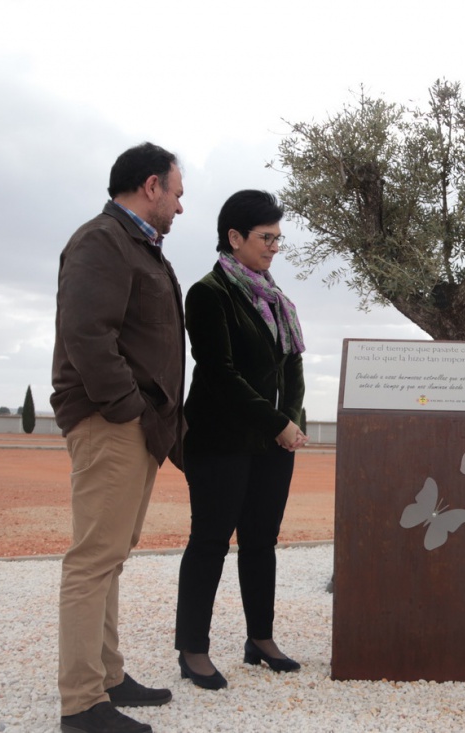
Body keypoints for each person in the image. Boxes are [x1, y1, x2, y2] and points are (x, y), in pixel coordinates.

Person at [51, 142, 186, 733]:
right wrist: (127, 409)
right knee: (93, 560)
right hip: (112, 421)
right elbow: (86, 333)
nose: (181, 207)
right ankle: (82, 703)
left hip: (136, 425)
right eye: (177, 193)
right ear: (151, 186)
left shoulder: (138, 247)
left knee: (111, 557)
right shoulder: (101, 241)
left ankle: (107, 675)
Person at [173, 189, 308, 691]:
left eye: (278, 238)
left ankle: (261, 639)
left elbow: (291, 366)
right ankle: (193, 649)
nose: (274, 247)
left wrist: (288, 420)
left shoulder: (276, 298)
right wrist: (278, 422)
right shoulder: (209, 294)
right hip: (220, 440)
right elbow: (221, 375)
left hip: (272, 444)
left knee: (261, 542)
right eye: (265, 237)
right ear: (234, 238)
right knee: (210, 542)